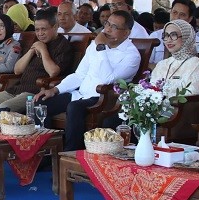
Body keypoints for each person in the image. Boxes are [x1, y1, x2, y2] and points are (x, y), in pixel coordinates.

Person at [33, 11, 141, 152]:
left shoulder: (131, 55)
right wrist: (55, 90)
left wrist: (101, 48)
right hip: (81, 94)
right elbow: (79, 75)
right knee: (41, 102)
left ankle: (71, 153)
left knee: (74, 107)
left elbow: (107, 80)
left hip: (104, 99)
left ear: (126, 33)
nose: (107, 29)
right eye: (107, 24)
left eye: (114, 27)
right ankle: (45, 152)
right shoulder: (94, 46)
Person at [0, 9, 75, 116]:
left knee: (4, 108)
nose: (40, 33)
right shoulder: (37, 42)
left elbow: (53, 72)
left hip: (37, 91)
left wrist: (43, 50)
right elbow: (17, 70)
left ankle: (2, 124)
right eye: (37, 30)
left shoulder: (63, 46)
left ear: (55, 27)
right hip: (17, 88)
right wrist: (31, 51)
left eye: (44, 29)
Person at [149, 20, 199, 97]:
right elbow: (150, 90)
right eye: (166, 35)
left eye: (174, 35)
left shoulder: (195, 63)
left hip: (182, 104)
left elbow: (193, 94)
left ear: (186, 37)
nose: (168, 40)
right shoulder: (162, 64)